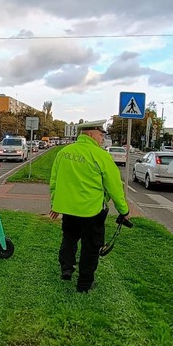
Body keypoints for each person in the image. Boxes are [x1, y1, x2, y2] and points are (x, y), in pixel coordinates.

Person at [49, 119, 130, 293]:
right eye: (101, 135)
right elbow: (115, 187)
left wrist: (55, 203)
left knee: (69, 239)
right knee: (91, 248)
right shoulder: (101, 156)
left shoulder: (64, 153)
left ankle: (67, 268)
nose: (102, 138)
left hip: (69, 210)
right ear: (91, 134)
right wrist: (124, 210)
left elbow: (54, 181)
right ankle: (84, 284)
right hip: (92, 211)